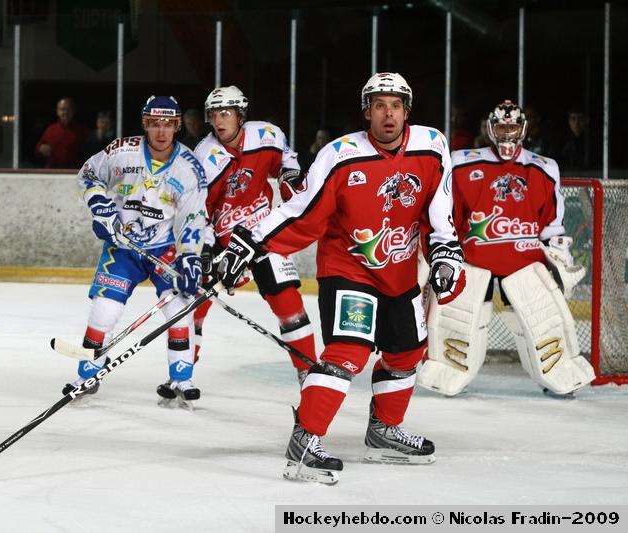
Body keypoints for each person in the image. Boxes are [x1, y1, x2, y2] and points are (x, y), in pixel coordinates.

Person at [212, 73, 465, 484]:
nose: (388, 114)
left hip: (399, 270)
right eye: (379, 105)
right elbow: (301, 212)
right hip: (348, 268)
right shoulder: (340, 154)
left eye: (396, 105)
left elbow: (440, 211)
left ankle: (384, 431)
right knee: (349, 350)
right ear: (367, 112)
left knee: (407, 351)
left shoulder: (432, 146)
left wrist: (445, 254)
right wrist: (249, 241)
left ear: (407, 111)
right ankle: (305, 440)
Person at [417, 100, 594, 399]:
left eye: (512, 127)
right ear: (490, 128)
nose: (507, 134)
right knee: (459, 322)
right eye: (502, 127)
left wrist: (560, 257)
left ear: (523, 129)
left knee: (544, 323)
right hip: (473, 261)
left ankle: (560, 375)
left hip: (525, 262)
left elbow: (552, 224)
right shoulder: (461, 163)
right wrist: (440, 253)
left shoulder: (544, 168)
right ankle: (449, 372)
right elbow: (445, 216)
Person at [63, 95, 208, 408]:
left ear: (177, 126)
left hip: (165, 247)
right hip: (123, 245)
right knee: (104, 310)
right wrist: (99, 205)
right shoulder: (121, 151)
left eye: (168, 124)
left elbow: (193, 217)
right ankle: (88, 373)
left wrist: (190, 257)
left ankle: (181, 377)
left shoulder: (189, 168)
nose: (161, 131)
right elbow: (88, 174)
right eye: (155, 123)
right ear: (145, 123)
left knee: (179, 307)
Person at [192, 85, 317, 385]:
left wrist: (289, 174)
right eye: (213, 115)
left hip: (262, 231)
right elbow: (198, 210)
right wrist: (205, 248)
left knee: (287, 300)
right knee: (195, 303)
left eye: (225, 113)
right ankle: (181, 374)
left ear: (240, 115)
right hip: (222, 238)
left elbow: (287, 160)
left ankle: (309, 373)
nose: (218, 121)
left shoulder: (267, 136)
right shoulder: (205, 157)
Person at [35, 97, 87, 168]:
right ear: (57, 111)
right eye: (62, 109)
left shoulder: (81, 130)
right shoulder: (51, 129)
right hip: (53, 171)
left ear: (73, 111)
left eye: (68, 109)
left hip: (74, 171)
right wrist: (41, 148)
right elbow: (38, 148)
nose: (65, 112)